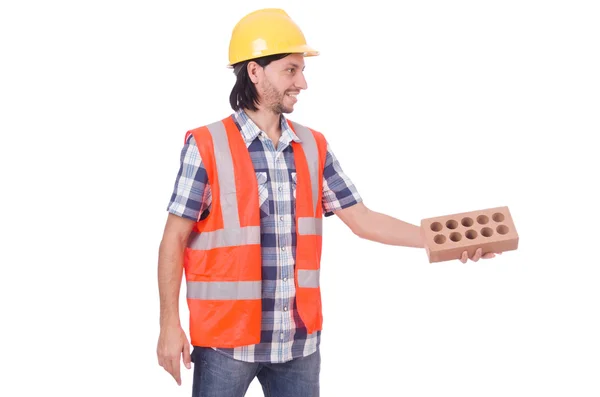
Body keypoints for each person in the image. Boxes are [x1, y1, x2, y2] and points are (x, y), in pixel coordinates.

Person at [156, 8, 498, 397]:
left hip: (298, 344)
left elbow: (364, 219)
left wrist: (447, 241)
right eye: (290, 70)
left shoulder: (313, 146)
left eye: (302, 70)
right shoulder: (206, 145)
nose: (302, 82)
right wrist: (170, 324)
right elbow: (174, 239)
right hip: (225, 345)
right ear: (255, 72)